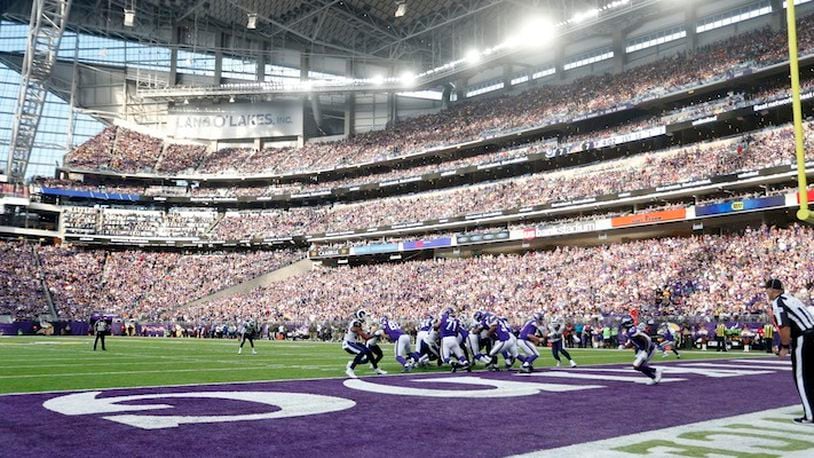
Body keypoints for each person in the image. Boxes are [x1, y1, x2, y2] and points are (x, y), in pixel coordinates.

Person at [765, 279, 814, 425]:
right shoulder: (792, 299)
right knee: (811, 376)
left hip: (803, 338)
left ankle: (810, 415)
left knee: (802, 377)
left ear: (772, 290)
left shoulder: (778, 303)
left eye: (767, 289)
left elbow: (784, 327)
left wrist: (784, 346)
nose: (766, 292)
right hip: (811, 334)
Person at [342, 309, 386, 378]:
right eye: (365, 316)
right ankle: (350, 369)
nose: (366, 317)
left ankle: (376, 369)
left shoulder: (357, 323)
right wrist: (375, 335)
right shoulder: (356, 323)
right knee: (361, 352)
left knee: (368, 351)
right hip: (348, 343)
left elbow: (364, 335)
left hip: (354, 342)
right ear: (361, 316)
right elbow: (365, 337)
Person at [621, 316, 663, 385]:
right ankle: (654, 377)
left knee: (637, 366)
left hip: (649, 348)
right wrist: (625, 346)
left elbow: (647, 339)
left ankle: (656, 372)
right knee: (639, 366)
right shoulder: (631, 330)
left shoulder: (632, 331)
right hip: (644, 349)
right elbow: (634, 341)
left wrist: (646, 351)